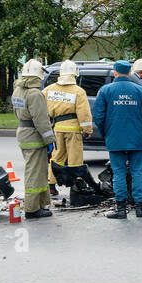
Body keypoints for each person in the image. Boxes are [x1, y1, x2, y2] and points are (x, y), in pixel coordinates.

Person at [92, 59, 142, 219]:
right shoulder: (140, 90)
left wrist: (106, 132)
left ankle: (121, 209)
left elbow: (98, 116)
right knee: (137, 172)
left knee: (119, 172)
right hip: (137, 138)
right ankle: (141, 208)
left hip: (115, 138)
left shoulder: (105, 91)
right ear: (129, 73)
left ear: (115, 73)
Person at [45, 60, 99, 202]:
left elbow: (42, 109)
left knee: (57, 156)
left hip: (57, 129)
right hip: (74, 130)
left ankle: (51, 184)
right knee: (75, 158)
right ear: (75, 74)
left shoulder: (49, 90)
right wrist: (87, 129)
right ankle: (76, 185)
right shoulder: (78, 91)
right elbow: (84, 113)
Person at [11, 59, 55, 220]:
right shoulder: (35, 94)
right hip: (34, 137)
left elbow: (16, 112)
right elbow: (41, 120)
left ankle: (41, 204)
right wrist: (50, 140)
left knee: (39, 171)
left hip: (23, 132)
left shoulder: (18, 90)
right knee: (34, 173)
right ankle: (32, 209)